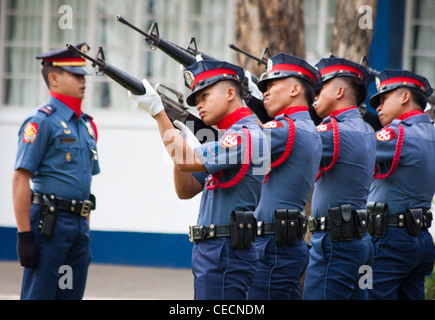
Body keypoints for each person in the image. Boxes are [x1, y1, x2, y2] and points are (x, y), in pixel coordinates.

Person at [128, 60, 270, 300]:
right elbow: (185, 189)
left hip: (225, 252)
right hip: (214, 250)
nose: (200, 105)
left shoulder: (245, 136)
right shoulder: (229, 138)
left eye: (205, 95)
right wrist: (177, 138)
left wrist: (158, 113)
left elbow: (186, 159)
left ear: (230, 92)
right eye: (197, 100)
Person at [12, 43, 99, 300]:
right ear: (54, 78)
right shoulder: (42, 122)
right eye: (76, 75)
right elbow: (21, 178)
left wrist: (85, 230)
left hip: (78, 225)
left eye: (83, 75)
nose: (83, 80)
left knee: (70, 295)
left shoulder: (85, 125)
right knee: (40, 295)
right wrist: (25, 236)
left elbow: (86, 187)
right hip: (50, 223)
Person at [246, 53, 322, 300]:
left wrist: (235, 103)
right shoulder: (305, 127)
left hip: (271, 247)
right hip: (282, 243)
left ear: (295, 89)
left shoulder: (285, 129)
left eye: (272, 84)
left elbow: (234, 148)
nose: (265, 92)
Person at [302, 57, 376, 300]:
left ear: (340, 91)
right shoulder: (365, 129)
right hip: (359, 241)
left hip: (333, 244)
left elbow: (281, 147)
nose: (315, 95)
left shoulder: (333, 130)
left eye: (320, 88)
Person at [367, 69, 435, 300]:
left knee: (366, 294)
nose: (378, 107)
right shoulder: (430, 132)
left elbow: (355, 147)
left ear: (405, 97)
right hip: (420, 238)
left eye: (384, 99)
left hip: (388, 240)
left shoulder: (396, 134)